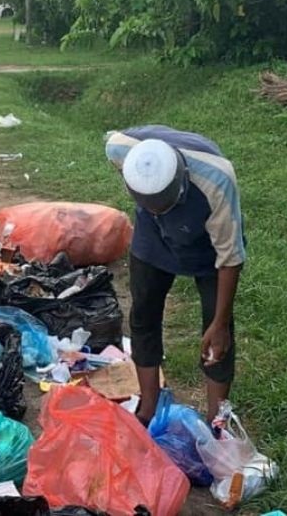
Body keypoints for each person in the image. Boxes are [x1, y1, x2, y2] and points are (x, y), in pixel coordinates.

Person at [106, 125, 246, 423]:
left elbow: (230, 257)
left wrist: (220, 323)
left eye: (164, 205)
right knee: (143, 314)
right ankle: (148, 409)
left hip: (206, 246)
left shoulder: (217, 181)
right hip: (152, 239)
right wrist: (153, 212)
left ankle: (216, 421)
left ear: (181, 181)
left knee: (218, 333)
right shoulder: (120, 149)